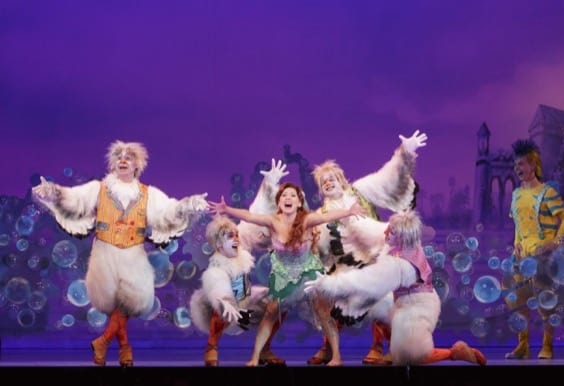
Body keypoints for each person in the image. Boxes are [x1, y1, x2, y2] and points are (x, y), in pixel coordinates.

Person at [31, 140, 208, 367]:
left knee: (128, 302)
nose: (123, 160)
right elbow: (75, 200)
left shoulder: (148, 194)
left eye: (128, 157)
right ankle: (124, 348)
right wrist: (53, 192)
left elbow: (167, 212)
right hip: (105, 253)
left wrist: (188, 205)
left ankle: (104, 342)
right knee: (116, 304)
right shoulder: (98, 189)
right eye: (119, 157)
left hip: (133, 255)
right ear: (113, 164)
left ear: (137, 165)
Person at [208, 182, 368, 367]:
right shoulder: (273, 221)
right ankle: (255, 357)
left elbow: (327, 216)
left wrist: (348, 212)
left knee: (324, 312)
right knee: (270, 313)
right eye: (284, 195)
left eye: (292, 195)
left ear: (299, 202)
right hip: (283, 275)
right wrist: (227, 209)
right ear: (279, 202)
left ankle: (336, 357)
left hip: (308, 272)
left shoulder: (307, 220)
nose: (288, 198)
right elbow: (250, 216)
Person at [304, 209, 487, 366]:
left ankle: (454, 353)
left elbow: (365, 281)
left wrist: (328, 284)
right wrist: (350, 215)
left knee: (410, 356)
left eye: (390, 232)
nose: (386, 233)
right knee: (375, 307)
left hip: (417, 307)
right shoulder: (404, 242)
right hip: (403, 301)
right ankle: (394, 344)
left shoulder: (401, 264)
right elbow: (376, 230)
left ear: (401, 236)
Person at [307, 129, 428, 365]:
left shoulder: (360, 190)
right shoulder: (322, 214)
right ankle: (328, 348)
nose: (328, 183)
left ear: (341, 179)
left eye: (331, 178)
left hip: (372, 256)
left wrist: (405, 152)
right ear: (321, 190)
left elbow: (387, 178)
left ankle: (382, 346)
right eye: (324, 182)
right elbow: (319, 246)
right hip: (342, 265)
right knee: (332, 302)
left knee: (381, 302)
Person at [502, 139, 564, 360]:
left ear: (533, 164)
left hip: (542, 255)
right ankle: (522, 346)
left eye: (521, 164)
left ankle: (547, 346)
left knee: (544, 300)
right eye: (515, 165)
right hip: (521, 255)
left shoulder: (547, 192)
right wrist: (516, 243)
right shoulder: (516, 194)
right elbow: (518, 224)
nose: (517, 169)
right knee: (519, 300)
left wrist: (556, 241)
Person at [189, 214, 270, 366]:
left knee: (273, 301)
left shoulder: (241, 255)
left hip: (242, 302)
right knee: (222, 306)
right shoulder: (217, 267)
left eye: (236, 235)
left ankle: (264, 349)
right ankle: (211, 346)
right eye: (231, 236)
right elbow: (217, 284)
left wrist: (266, 235)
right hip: (221, 307)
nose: (236, 239)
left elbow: (250, 230)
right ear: (219, 244)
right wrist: (225, 301)